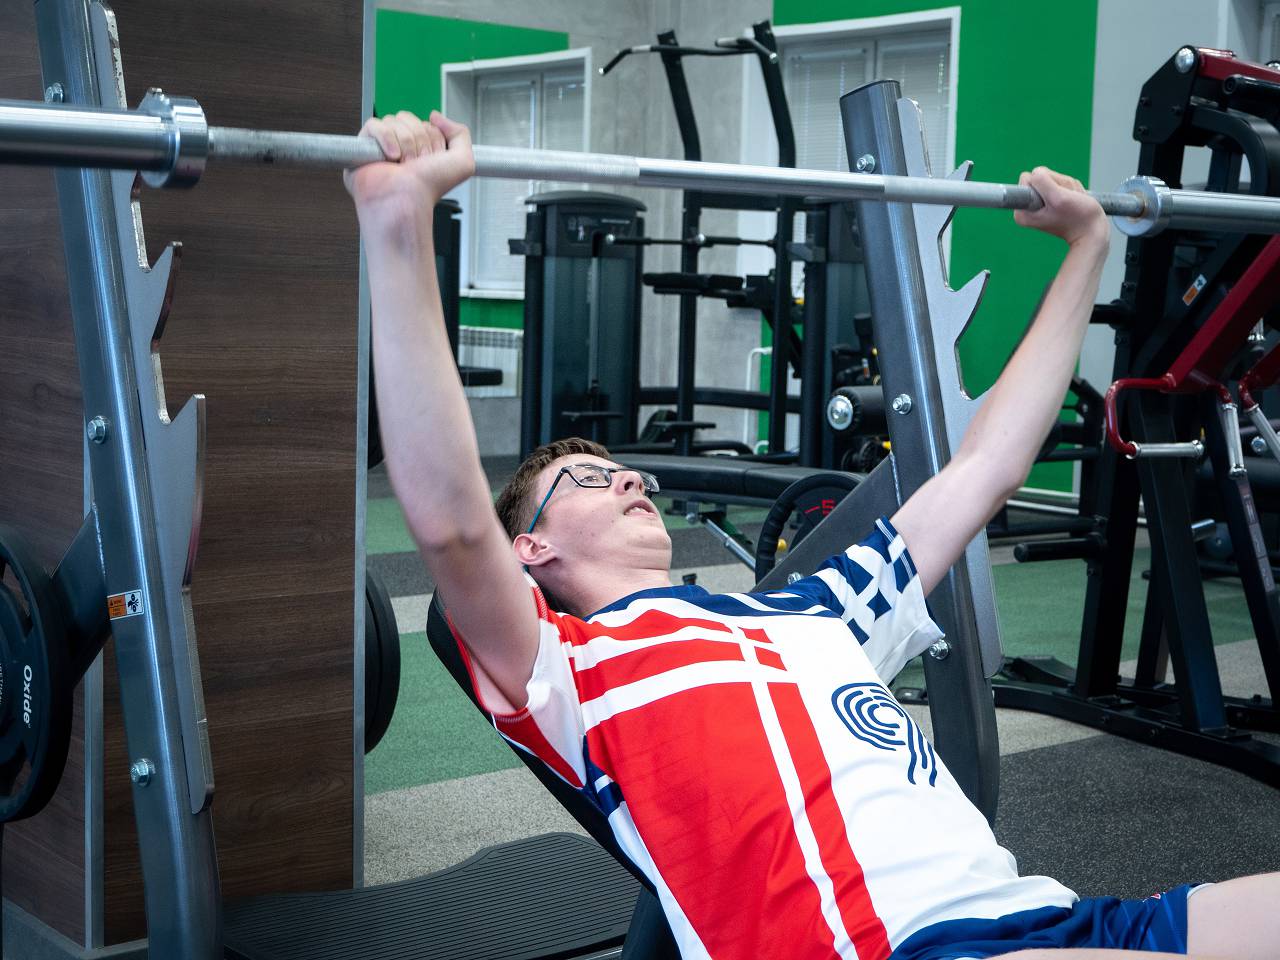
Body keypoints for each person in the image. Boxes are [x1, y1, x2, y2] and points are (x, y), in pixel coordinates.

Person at [345, 110, 1278, 960]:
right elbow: (454, 526)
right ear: (533, 551)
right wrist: (400, 225)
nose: (629, 477)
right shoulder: (568, 672)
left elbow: (986, 468)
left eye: (626, 470)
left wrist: (1089, 246)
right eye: (590, 479)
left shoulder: (823, 611)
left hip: (1058, 916)